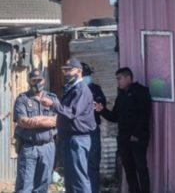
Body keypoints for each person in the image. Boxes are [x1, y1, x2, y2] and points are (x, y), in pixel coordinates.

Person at [41, 58, 96, 193]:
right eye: (64, 71)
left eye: (69, 70)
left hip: (77, 139)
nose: (66, 73)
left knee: (79, 178)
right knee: (70, 179)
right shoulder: (72, 89)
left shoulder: (81, 89)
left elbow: (72, 112)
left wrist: (53, 104)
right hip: (68, 138)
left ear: (79, 71)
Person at [95, 67, 152, 193]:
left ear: (128, 78)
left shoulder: (141, 91)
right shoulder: (121, 96)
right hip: (123, 138)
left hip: (138, 138)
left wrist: (136, 134)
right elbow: (114, 117)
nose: (118, 82)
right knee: (128, 169)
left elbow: (145, 114)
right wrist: (102, 110)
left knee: (141, 167)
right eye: (117, 79)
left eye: (119, 79)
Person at [13, 68, 57, 193]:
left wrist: (35, 120)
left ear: (44, 80)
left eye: (40, 80)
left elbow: (58, 120)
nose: (37, 83)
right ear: (29, 81)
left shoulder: (52, 99)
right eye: (34, 80)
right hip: (29, 148)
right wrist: (47, 121)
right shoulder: (22, 99)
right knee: (24, 186)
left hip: (48, 147)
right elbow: (23, 122)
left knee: (43, 186)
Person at [81, 62, 107, 193]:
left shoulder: (96, 88)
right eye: (84, 75)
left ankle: (94, 190)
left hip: (92, 130)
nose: (87, 77)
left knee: (93, 163)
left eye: (87, 75)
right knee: (79, 165)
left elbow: (102, 104)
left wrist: (97, 106)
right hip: (77, 132)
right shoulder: (71, 90)